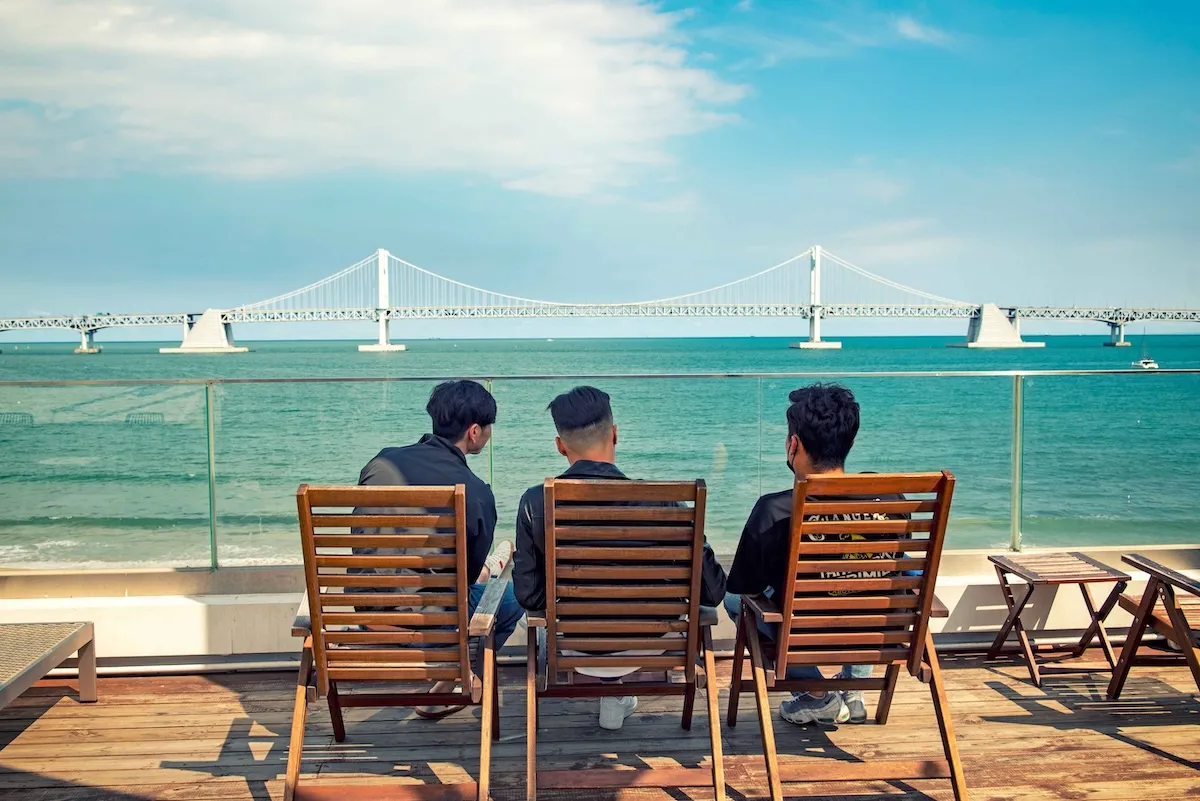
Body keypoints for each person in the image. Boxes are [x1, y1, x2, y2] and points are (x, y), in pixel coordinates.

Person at [513, 386, 727, 731]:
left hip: (573, 646)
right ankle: (615, 697)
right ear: (615, 434)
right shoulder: (666, 503)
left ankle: (612, 696)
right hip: (650, 643)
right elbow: (712, 591)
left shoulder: (535, 503)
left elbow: (529, 597)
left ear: (560, 445)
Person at [726, 383, 898, 726]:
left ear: (793, 444)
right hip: (872, 631)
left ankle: (815, 693)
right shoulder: (888, 500)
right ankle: (854, 689)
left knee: (736, 602)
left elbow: (746, 586)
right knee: (868, 589)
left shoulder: (775, 510)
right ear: (848, 442)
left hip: (806, 631)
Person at [355, 379, 523, 717]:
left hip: (368, 616)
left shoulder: (380, 464)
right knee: (512, 598)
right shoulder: (476, 493)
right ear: (474, 432)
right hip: (433, 629)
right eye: (489, 427)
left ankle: (443, 687)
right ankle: (458, 675)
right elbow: (470, 580)